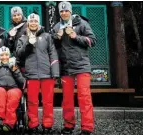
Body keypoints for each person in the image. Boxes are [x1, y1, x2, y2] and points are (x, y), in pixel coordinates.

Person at [51, 1, 97, 135]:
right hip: (66, 67)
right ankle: (68, 125)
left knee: (84, 97)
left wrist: (76, 36)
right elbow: (52, 46)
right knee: (67, 98)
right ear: (60, 13)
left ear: (70, 12)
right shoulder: (57, 27)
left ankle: (87, 127)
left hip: (82, 66)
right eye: (62, 11)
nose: (64, 13)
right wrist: (56, 37)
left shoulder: (81, 23)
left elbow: (92, 41)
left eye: (66, 11)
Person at [16, 13, 60, 134]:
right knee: (32, 101)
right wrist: (28, 44)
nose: (33, 23)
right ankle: (33, 124)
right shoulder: (22, 38)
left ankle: (47, 125)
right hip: (31, 74)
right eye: (31, 21)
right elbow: (19, 54)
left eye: (35, 21)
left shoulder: (47, 37)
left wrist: (55, 72)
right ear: (28, 23)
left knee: (48, 101)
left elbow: (53, 54)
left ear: (38, 23)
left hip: (47, 74)